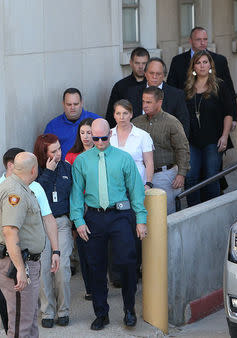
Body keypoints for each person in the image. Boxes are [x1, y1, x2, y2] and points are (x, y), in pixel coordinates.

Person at [70, 119, 147, 331]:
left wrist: (141, 220)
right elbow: (76, 193)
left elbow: (136, 191)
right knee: (95, 266)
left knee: (127, 262)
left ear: (110, 135)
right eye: (95, 138)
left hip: (120, 215)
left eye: (104, 138)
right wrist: (78, 221)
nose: (100, 142)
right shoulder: (82, 161)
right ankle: (101, 313)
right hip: (94, 216)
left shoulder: (124, 158)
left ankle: (129, 309)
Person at [0, 147, 56, 334]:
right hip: (17, 263)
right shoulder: (15, 192)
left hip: (22, 261)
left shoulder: (20, 187)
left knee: (28, 320)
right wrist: (20, 269)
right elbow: (10, 232)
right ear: (33, 170)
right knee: (21, 324)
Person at [109, 99, 154, 287]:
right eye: (118, 113)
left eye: (125, 113)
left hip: (135, 189)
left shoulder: (142, 135)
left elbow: (149, 163)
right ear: (114, 115)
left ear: (131, 114)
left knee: (135, 229)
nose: (122, 117)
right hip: (113, 190)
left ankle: (134, 270)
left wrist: (148, 184)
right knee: (114, 231)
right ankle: (117, 275)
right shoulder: (108, 134)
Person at [184, 50, 235, 206]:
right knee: (191, 176)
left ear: (210, 65)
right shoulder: (187, 88)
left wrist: (225, 136)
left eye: (205, 62)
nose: (202, 66)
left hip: (214, 139)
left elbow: (228, 113)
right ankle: (194, 210)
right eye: (198, 63)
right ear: (193, 67)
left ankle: (211, 209)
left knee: (211, 175)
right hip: (192, 140)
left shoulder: (220, 85)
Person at [34, 134, 74, 328]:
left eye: (59, 149)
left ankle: (63, 310)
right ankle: (47, 311)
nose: (59, 153)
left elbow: (74, 197)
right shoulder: (36, 173)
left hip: (62, 223)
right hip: (41, 225)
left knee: (63, 267)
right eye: (54, 151)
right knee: (43, 269)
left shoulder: (67, 168)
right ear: (44, 154)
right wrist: (48, 173)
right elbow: (35, 197)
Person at [132, 86, 190, 214]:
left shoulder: (172, 122)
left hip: (164, 174)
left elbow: (182, 148)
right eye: (143, 101)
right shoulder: (136, 123)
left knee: (165, 214)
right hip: (141, 174)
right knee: (142, 212)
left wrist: (181, 174)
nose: (144, 105)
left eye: (149, 102)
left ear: (159, 102)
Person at [167, 26, 237, 115]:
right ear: (190, 41)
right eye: (198, 40)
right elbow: (172, 89)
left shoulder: (219, 60)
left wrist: (233, 117)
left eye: (205, 39)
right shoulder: (178, 61)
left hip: (215, 115)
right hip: (186, 114)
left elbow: (229, 90)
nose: (203, 43)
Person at [64, 118, 94, 301]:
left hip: (97, 205)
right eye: (82, 133)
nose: (85, 136)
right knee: (83, 247)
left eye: (89, 132)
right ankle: (89, 287)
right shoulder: (71, 156)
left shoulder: (102, 153)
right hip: (78, 205)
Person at [126, 57, 190, 137]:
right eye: (151, 73)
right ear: (145, 74)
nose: (154, 77)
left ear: (164, 75)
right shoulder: (132, 93)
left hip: (166, 145)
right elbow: (126, 120)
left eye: (158, 74)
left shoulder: (176, 95)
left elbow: (183, 125)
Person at [44, 87, 101, 159]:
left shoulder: (96, 121)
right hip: (64, 168)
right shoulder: (52, 126)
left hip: (92, 165)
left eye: (76, 104)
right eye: (69, 104)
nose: (72, 107)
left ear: (81, 103)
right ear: (63, 104)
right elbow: (44, 152)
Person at [106, 47, 150, 128]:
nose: (141, 67)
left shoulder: (154, 85)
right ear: (131, 63)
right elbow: (111, 116)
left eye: (144, 63)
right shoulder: (120, 86)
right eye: (137, 63)